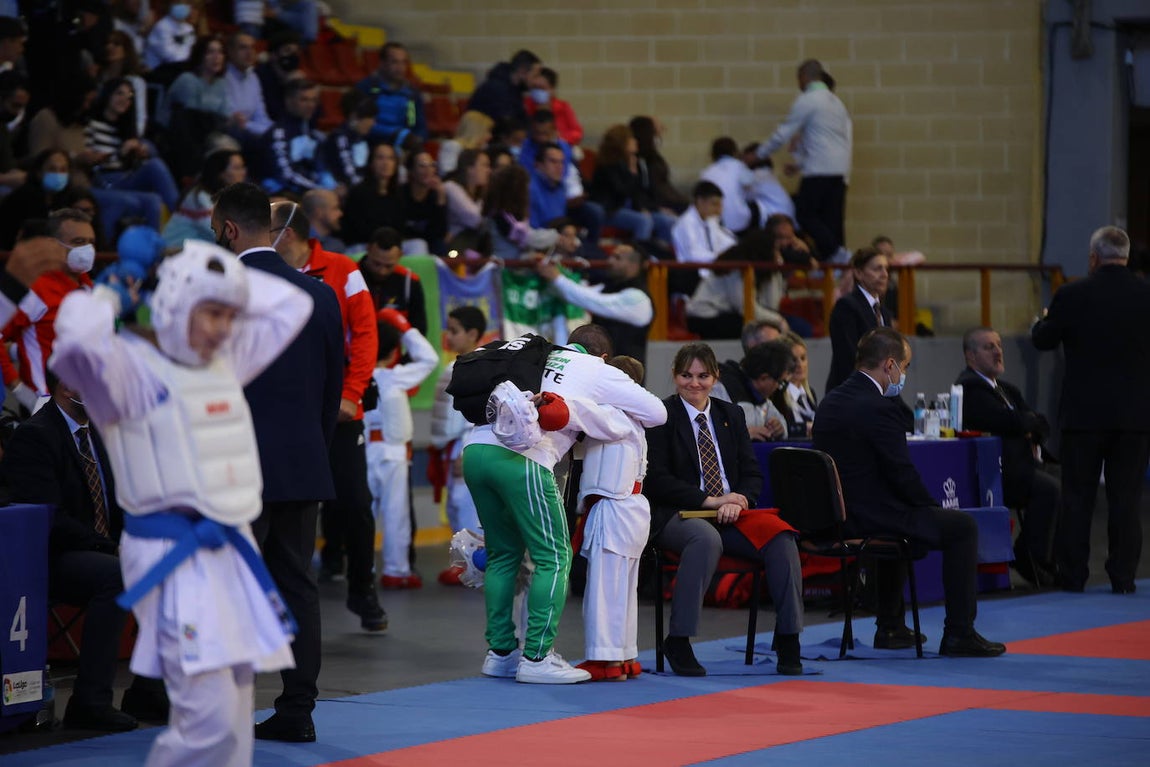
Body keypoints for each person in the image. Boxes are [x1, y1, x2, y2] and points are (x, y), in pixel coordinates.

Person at [49, 240, 310, 764]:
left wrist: (215, 272)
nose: (222, 327)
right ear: (172, 305)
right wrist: (108, 294)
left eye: (230, 314)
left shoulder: (225, 362)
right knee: (206, 719)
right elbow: (74, 350)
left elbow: (292, 304)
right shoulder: (132, 375)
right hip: (172, 558)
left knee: (236, 715)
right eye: (210, 312)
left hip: (231, 551)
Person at [211, 182, 345, 743]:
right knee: (296, 585)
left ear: (228, 230)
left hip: (234, 467)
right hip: (301, 461)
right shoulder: (319, 295)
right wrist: (307, 447)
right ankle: (297, 711)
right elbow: (331, 390)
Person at [462, 324, 666, 684]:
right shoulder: (598, 371)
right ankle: (537, 658)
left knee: (503, 554)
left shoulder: (538, 354)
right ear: (603, 356)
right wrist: (591, 406)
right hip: (523, 459)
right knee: (554, 557)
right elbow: (656, 413)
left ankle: (500, 654)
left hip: (476, 451)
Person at [813, 327, 1007, 657]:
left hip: (832, 517)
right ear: (889, 365)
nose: (903, 374)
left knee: (903, 520)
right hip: (868, 517)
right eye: (903, 366)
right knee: (961, 527)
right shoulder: (879, 407)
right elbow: (901, 473)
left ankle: (890, 627)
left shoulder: (831, 400)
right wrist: (931, 508)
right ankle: (959, 632)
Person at [0, 369, 169, 732]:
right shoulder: (36, 436)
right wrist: (112, 548)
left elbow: (120, 503)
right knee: (117, 576)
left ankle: (148, 688)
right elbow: (47, 517)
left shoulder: (99, 436)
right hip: (50, 557)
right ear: (67, 386)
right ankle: (89, 701)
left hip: (97, 549)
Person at [643, 343, 804, 676]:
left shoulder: (732, 415)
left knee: (781, 537)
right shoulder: (660, 415)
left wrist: (740, 499)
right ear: (674, 376)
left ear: (715, 377)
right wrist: (710, 502)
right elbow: (656, 479)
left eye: (703, 376)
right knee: (705, 539)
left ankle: (789, 638)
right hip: (679, 513)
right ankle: (679, 639)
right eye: (686, 375)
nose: (694, 383)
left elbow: (751, 473)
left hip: (732, 512)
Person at [268, 199, 382, 627]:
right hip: (287, 416)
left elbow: (366, 334)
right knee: (285, 508)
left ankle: (363, 589)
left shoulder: (344, 271)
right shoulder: (262, 274)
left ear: (288, 233)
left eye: (268, 228)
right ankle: (277, 603)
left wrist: (350, 394)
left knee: (355, 503)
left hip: (340, 414)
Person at [1032, 225, 1150, 595]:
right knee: (1126, 499)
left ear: (1094, 258)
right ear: (1126, 256)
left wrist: (1045, 317)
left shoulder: (1072, 294)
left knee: (1077, 497)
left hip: (1084, 416)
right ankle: (1124, 577)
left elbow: (1043, 339)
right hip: (1135, 416)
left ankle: (1073, 576)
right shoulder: (1146, 295)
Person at [957, 326, 1059, 587]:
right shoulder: (969, 389)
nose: (998, 352)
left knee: (1064, 485)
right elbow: (1008, 420)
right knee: (1049, 490)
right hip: (998, 473)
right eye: (989, 347)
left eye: (999, 345)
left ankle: (1045, 559)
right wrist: (1025, 424)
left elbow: (1038, 423)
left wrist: (1026, 425)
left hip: (1021, 466)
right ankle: (1027, 555)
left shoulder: (1007, 389)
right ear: (971, 356)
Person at [576, 354, 649, 681]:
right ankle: (625, 656)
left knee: (604, 589)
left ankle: (603, 660)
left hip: (615, 507)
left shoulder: (612, 415)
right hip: (630, 507)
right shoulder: (634, 419)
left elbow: (576, 415)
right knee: (623, 588)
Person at [365, 308, 438, 588]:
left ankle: (364, 569)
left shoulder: (358, 374)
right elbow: (429, 358)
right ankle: (396, 569)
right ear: (395, 350)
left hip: (365, 451)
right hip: (392, 452)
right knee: (395, 514)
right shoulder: (394, 376)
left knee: (365, 514)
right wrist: (404, 327)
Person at [755, 59, 852, 263]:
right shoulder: (837, 104)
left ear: (803, 77)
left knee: (804, 214)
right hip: (839, 172)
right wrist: (799, 165)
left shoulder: (808, 100)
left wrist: (759, 154)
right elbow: (829, 143)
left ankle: (837, 252)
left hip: (818, 171)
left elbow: (783, 133)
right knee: (831, 222)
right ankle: (834, 264)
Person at [2, 208, 97, 405]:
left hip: (84, 404)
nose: (87, 249)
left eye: (91, 242)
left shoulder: (87, 285)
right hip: (45, 407)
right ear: (53, 245)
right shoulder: (36, 290)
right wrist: (22, 392)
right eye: (79, 242)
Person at [429, 305, 486, 584]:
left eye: (454, 331)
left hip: (468, 443)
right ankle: (465, 564)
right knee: (457, 505)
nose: (448, 337)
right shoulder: (468, 365)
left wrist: (464, 449)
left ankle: (472, 567)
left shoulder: (473, 366)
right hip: (460, 444)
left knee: (466, 505)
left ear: (473, 333)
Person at [536, 243, 653, 366]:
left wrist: (557, 277)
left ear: (633, 265)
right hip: (600, 370)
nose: (609, 261)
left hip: (624, 377)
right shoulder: (608, 287)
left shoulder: (639, 299)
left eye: (617, 258)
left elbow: (590, 300)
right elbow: (577, 293)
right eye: (611, 256)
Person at [589, 124, 675, 245]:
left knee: (667, 221)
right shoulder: (607, 165)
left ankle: (665, 258)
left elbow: (639, 193)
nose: (635, 141)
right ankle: (638, 256)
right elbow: (622, 191)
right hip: (611, 211)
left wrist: (650, 208)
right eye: (631, 138)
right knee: (643, 221)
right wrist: (633, 172)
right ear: (622, 142)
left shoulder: (632, 161)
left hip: (631, 209)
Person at [825, 246, 892, 394]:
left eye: (886, 269)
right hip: (851, 395)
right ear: (859, 273)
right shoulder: (846, 307)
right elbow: (848, 359)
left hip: (881, 394)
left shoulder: (884, 313)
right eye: (877, 269)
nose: (884, 274)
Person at [261, 78, 335, 195]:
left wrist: (332, 187)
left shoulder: (315, 135)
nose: (310, 105)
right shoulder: (278, 134)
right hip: (283, 193)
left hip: (313, 192)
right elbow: (285, 175)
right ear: (289, 101)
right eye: (304, 100)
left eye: (314, 100)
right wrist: (317, 189)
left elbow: (322, 169)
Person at [162, 149, 247, 248]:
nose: (243, 172)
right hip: (172, 253)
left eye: (243, 167)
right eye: (237, 168)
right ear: (221, 173)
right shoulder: (199, 198)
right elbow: (223, 234)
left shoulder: (227, 197)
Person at [714, 340, 793, 443]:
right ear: (763, 378)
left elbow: (780, 420)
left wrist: (780, 428)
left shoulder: (762, 398)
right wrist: (743, 435)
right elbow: (708, 430)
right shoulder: (721, 389)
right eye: (779, 382)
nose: (779, 387)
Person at [354, 41, 427, 147]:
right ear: (382, 63)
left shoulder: (412, 95)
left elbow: (418, 125)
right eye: (395, 62)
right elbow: (359, 123)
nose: (400, 68)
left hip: (401, 145)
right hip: (371, 143)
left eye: (403, 62)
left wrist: (418, 138)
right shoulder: (367, 88)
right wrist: (393, 134)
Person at [670, 180, 736, 296]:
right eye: (714, 204)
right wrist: (720, 257)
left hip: (711, 271)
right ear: (700, 201)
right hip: (692, 275)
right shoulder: (685, 224)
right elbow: (693, 255)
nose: (719, 210)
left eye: (720, 205)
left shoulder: (711, 221)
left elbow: (726, 242)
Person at [358, 226, 428, 335]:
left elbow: (419, 331)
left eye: (389, 266)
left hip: (393, 350)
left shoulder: (409, 282)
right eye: (376, 264)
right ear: (368, 249)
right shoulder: (350, 277)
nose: (382, 271)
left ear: (400, 255)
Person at [342, 142, 403, 246]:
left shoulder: (400, 193)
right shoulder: (358, 192)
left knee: (418, 244)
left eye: (391, 158)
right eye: (380, 158)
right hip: (364, 245)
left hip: (392, 245)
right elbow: (354, 229)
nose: (386, 163)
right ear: (371, 162)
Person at [629, 115, 689, 214]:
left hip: (666, 198)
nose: (663, 130)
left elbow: (663, 184)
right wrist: (656, 207)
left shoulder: (653, 156)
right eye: (657, 129)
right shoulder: (639, 159)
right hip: (658, 202)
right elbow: (646, 188)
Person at [319, 91, 377, 192]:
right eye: (370, 118)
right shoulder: (340, 138)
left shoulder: (364, 139)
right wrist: (368, 193)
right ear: (354, 116)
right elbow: (347, 173)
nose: (373, 123)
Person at [699, 136, 758, 235]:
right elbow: (752, 191)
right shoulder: (739, 166)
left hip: (717, 223)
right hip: (740, 223)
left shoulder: (706, 173)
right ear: (734, 151)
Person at [467, 49, 541, 124]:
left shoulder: (515, 89)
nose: (536, 82)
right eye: (534, 76)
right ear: (522, 71)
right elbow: (508, 125)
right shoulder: (497, 90)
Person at [398, 149, 447, 255]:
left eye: (431, 165)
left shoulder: (436, 195)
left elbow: (440, 233)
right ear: (411, 170)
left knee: (440, 246)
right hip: (403, 243)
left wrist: (441, 198)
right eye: (422, 166)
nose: (428, 170)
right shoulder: (400, 193)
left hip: (428, 243)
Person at [524, 67, 582, 148]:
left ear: (552, 89)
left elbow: (577, 132)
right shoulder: (526, 105)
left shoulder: (563, 107)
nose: (537, 91)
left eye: (541, 88)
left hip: (560, 148)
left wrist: (558, 138)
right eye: (535, 87)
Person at [781, 331, 817, 436]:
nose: (800, 365)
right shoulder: (778, 396)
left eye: (803, 358)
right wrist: (805, 428)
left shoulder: (810, 394)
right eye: (793, 360)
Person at [301, 188, 346, 253]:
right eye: (335, 208)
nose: (340, 213)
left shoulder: (336, 246)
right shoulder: (292, 239)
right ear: (319, 212)